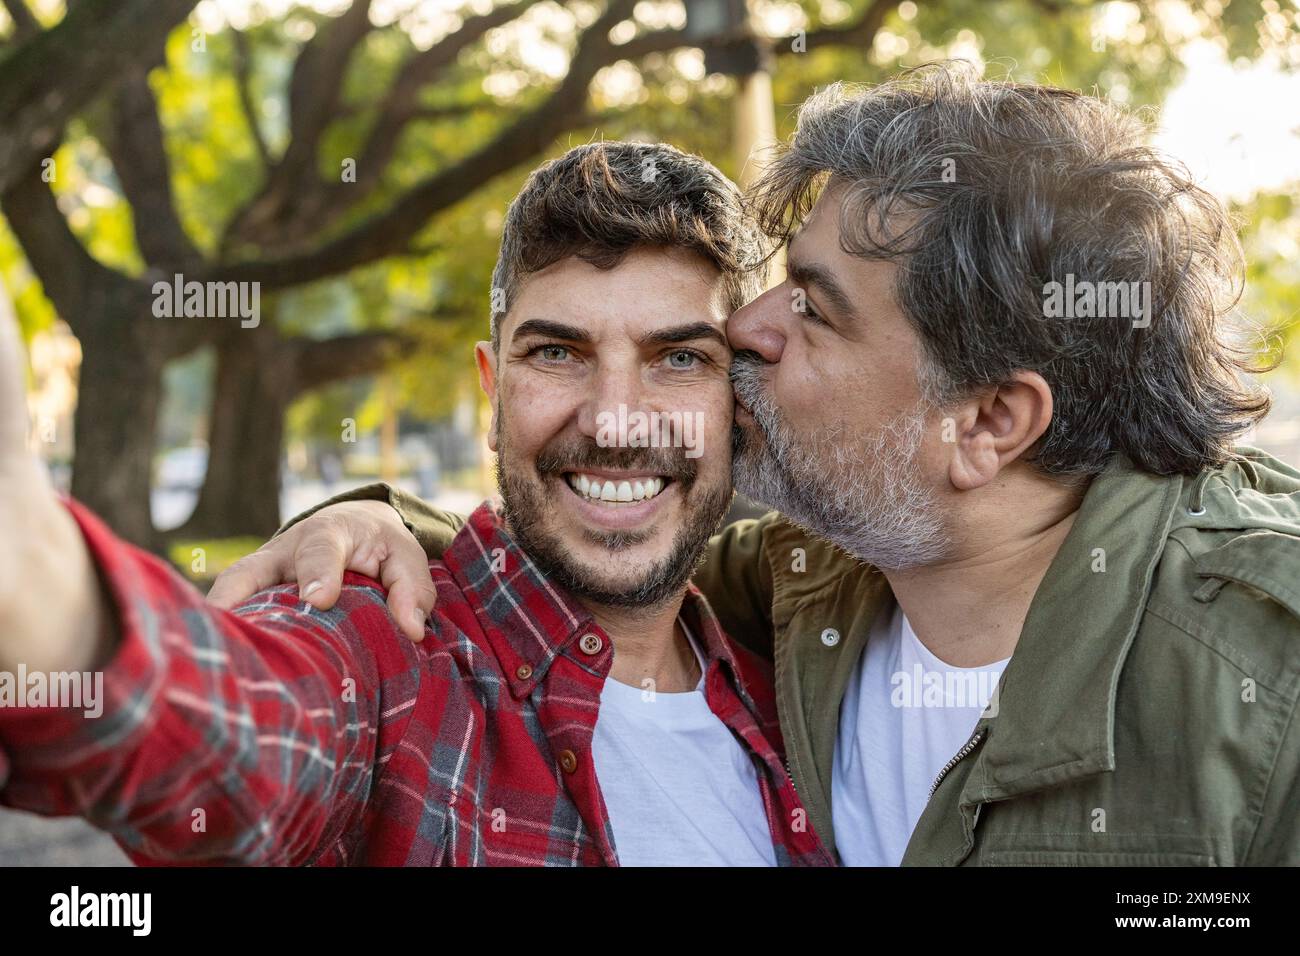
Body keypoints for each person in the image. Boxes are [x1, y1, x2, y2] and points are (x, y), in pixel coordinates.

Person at [214, 64, 1300, 866]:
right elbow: (586, 553)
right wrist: (368, 517)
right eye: (781, 282)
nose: (749, 327)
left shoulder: (1261, 683)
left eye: (815, 309)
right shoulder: (791, 588)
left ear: (988, 421)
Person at [0, 141, 830, 867]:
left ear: (740, 403)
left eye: (679, 359)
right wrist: (40, 586)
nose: (614, 419)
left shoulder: (798, 686)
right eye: (556, 352)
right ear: (489, 392)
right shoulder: (388, 651)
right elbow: (245, 736)